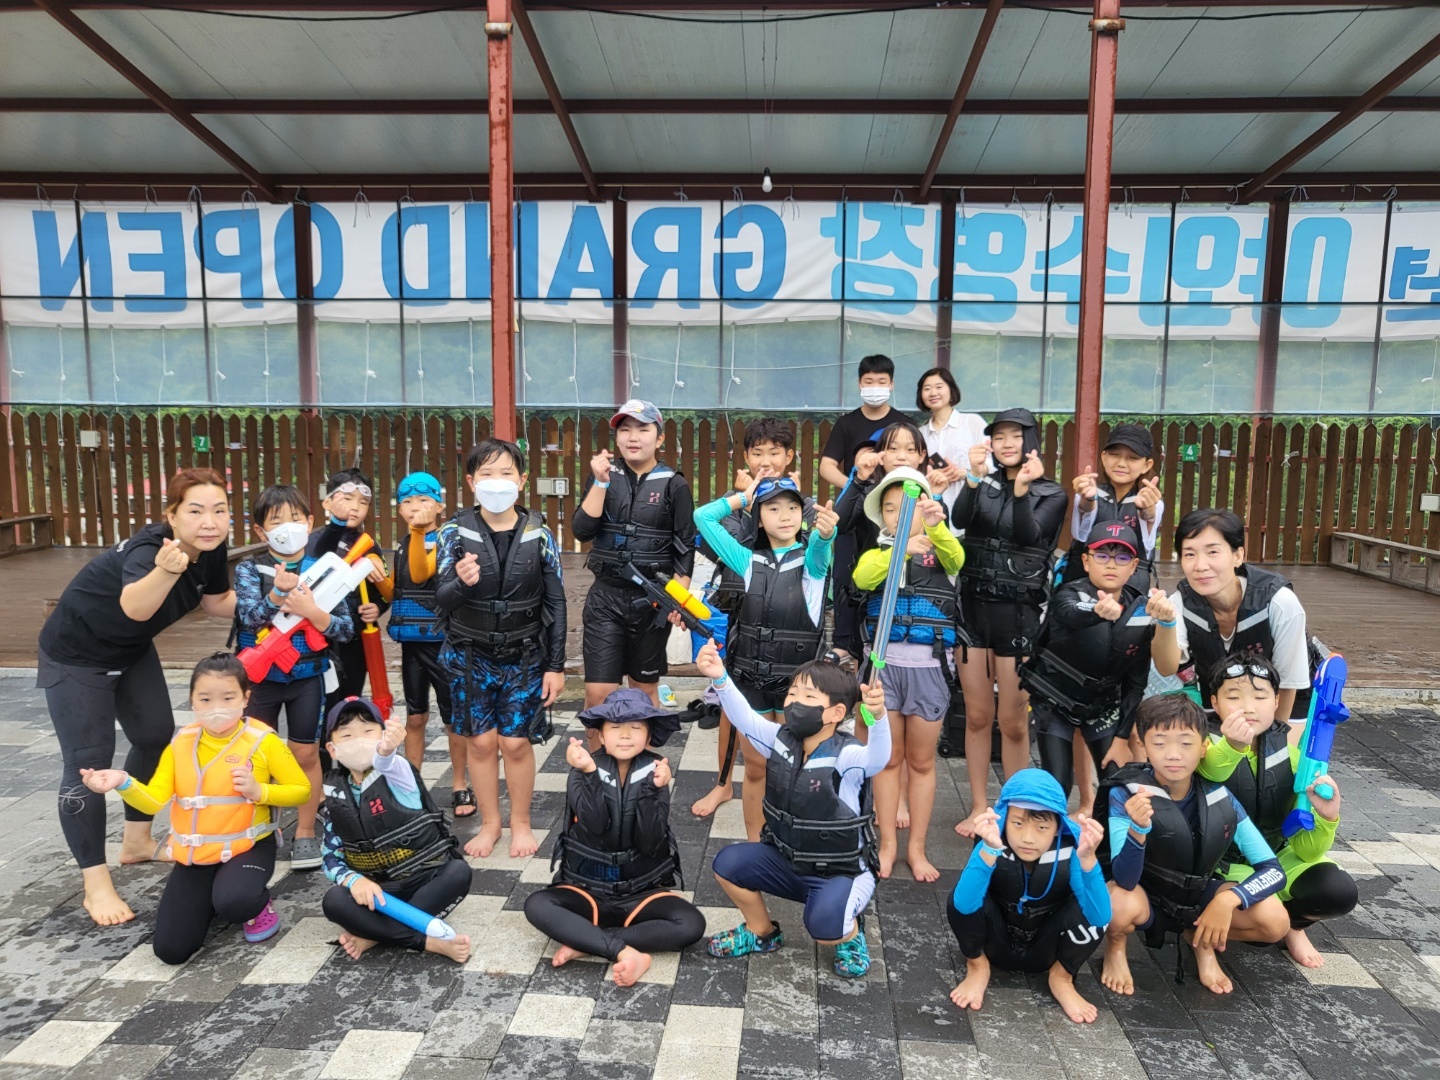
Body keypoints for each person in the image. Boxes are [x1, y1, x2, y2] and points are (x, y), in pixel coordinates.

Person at [39, 466, 237, 926]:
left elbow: (216, 602)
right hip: (76, 654)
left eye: (220, 510)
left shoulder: (210, 547)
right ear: (172, 515)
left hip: (129, 650)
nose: (209, 521)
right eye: (195, 511)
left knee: (153, 735)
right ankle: (95, 884)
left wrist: (276, 600)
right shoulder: (150, 550)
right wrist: (167, 571)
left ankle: (136, 842)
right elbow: (136, 606)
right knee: (88, 763)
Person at [79, 653, 310, 963]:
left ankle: (254, 903)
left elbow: (302, 791)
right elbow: (154, 800)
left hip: (247, 846)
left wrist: (260, 791)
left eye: (228, 697)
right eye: (205, 699)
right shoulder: (181, 743)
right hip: (197, 852)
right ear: (192, 701)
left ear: (245, 698)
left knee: (237, 902)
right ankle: (214, 896)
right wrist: (122, 782)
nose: (217, 707)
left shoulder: (263, 741)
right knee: (170, 951)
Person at [696, 639, 889, 980]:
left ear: (836, 713)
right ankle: (762, 932)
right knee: (727, 864)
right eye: (793, 694)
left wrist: (879, 718)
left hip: (841, 872)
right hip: (788, 861)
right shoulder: (779, 739)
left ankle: (850, 931)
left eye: (809, 697)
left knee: (825, 929)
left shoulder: (847, 756)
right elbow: (744, 719)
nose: (796, 703)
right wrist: (720, 678)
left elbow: (878, 758)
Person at [1101, 694, 1290, 996]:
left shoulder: (1220, 798)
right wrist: (1137, 830)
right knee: (1117, 903)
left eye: (1186, 743)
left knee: (1276, 921)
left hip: (1198, 896)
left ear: (1203, 748)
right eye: (1160, 743)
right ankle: (1116, 946)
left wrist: (1228, 900)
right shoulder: (1127, 795)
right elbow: (1125, 879)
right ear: (1144, 748)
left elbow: (1273, 870)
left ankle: (1201, 940)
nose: (1173, 754)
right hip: (1147, 896)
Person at [435, 439, 567, 860]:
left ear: (522, 480)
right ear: (471, 482)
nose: (497, 482)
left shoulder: (540, 534)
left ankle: (520, 822)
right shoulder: (453, 534)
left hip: (524, 657)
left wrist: (556, 665)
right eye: (487, 474)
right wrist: (461, 582)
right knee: (480, 743)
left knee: (515, 743)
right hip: (469, 656)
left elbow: (556, 602)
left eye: (506, 473)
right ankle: (490, 823)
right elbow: (442, 598)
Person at [524, 689, 705, 987]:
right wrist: (588, 772)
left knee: (692, 924)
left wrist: (654, 790)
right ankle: (624, 951)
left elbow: (650, 841)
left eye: (635, 728)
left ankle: (590, 941)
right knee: (537, 905)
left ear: (649, 736)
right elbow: (595, 825)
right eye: (615, 728)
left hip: (642, 893)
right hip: (587, 890)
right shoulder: (582, 769)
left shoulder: (656, 772)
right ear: (601, 735)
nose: (625, 735)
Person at [692, 471, 838, 840]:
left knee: (799, 767)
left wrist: (825, 533)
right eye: (773, 508)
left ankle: (797, 843)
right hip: (752, 681)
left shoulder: (812, 562)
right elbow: (702, 517)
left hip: (799, 687)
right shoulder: (746, 560)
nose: (785, 515)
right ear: (758, 518)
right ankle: (756, 843)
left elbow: (821, 547)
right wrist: (743, 498)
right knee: (756, 766)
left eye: (792, 507)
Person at [1198, 654, 1357, 969]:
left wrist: (1326, 819)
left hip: (1276, 856)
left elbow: (1307, 851)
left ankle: (1294, 926)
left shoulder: (1292, 756)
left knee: (1337, 891)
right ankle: (1219, 928)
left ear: (1276, 702)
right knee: (1265, 925)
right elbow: (1212, 770)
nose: (1248, 707)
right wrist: (1233, 745)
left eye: (1260, 697)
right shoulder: (1201, 744)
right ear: (1214, 702)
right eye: (1234, 697)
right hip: (1222, 865)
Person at [233, 484, 355, 870]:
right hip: (259, 679)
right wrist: (275, 597)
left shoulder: (327, 568)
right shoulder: (249, 569)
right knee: (254, 754)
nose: (288, 527)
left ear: (310, 522)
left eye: (296, 519)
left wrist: (312, 611)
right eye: (276, 521)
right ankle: (257, 827)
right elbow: (247, 617)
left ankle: (304, 832)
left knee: (305, 752)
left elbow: (345, 629)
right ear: (260, 530)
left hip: (307, 676)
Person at [951, 408, 1065, 813]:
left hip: (1018, 616)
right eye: (998, 437)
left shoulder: (1051, 493)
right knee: (978, 715)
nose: (1006, 444)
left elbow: (1027, 534)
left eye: (1015, 436)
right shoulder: (984, 482)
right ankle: (978, 806)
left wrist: (1021, 491)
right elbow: (959, 518)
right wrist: (972, 477)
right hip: (973, 610)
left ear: (1030, 440)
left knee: (1014, 722)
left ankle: (1017, 808)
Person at [853, 468, 963, 883]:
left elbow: (957, 560)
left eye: (909, 507)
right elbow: (862, 578)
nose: (899, 515)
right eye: (890, 509)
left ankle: (917, 847)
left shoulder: (942, 549)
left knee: (920, 762)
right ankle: (887, 845)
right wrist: (900, 551)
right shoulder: (877, 554)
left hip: (929, 669)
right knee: (887, 759)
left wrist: (936, 529)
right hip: (883, 670)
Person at [949, 769, 1110, 1024]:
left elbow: (1100, 917)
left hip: (1045, 950)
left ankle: (1062, 977)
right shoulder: (992, 840)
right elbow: (963, 904)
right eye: (1017, 824)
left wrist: (1089, 861)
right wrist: (988, 850)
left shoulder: (1073, 851)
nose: (1027, 838)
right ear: (1004, 819)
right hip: (996, 943)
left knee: (1094, 902)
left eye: (1042, 827)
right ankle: (977, 966)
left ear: (1058, 828)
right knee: (959, 895)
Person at [318, 697, 473, 963]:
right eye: (347, 735)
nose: (358, 741)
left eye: (368, 731)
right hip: (378, 894)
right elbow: (330, 857)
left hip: (422, 879)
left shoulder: (398, 773)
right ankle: (428, 942)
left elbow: (387, 762)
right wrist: (354, 880)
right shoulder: (336, 794)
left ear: (383, 735)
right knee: (334, 901)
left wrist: (387, 750)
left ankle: (374, 935)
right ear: (332, 749)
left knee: (458, 872)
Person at [1020, 522, 1161, 803]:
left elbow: (1136, 684)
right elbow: (1071, 611)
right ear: (1086, 561)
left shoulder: (1141, 611)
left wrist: (1122, 738)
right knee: (1057, 784)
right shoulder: (1068, 594)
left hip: (1101, 707)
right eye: (1102, 555)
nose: (1111, 564)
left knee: (1116, 784)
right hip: (1055, 702)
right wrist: (1097, 610)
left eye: (1122, 558)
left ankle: (1103, 831)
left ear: (1134, 567)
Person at [572, 399, 696, 710]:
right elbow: (582, 531)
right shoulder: (603, 476)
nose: (633, 437)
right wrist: (600, 483)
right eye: (625, 430)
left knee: (643, 691)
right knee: (598, 694)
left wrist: (677, 601)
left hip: (652, 602)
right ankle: (595, 746)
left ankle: (647, 745)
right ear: (616, 438)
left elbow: (685, 547)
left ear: (659, 438)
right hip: (606, 599)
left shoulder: (675, 484)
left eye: (643, 429)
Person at [1150, 508, 1309, 723]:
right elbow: (1166, 668)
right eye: (1189, 554)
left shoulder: (1280, 602)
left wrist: (1275, 736)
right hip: (1218, 701)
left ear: (1238, 556)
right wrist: (1166, 622)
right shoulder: (1179, 603)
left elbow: (1289, 683)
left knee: (1276, 746)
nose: (1200, 566)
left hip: (1285, 704)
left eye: (1212, 552)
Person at [382, 471, 469, 818]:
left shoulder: (446, 541)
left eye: (423, 500)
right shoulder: (404, 544)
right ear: (399, 509)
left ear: (439, 505)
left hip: (443, 644)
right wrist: (376, 580)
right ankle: (412, 785)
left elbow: (422, 573)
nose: (415, 506)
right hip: (412, 646)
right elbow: (399, 588)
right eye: (407, 501)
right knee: (415, 717)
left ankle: (460, 783)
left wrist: (419, 533)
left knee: (452, 718)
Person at [819, 355, 909, 663]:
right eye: (869, 381)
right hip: (853, 506)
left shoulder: (903, 423)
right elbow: (826, 466)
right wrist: (858, 485)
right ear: (859, 384)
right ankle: (843, 642)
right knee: (845, 572)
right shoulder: (847, 423)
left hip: (893, 509)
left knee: (886, 570)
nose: (875, 387)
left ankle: (886, 634)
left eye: (881, 381)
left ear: (891, 384)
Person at [307, 468, 390, 716]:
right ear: (327, 503)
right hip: (319, 638)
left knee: (350, 701)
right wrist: (337, 525)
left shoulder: (370, 545)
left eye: (363, 502)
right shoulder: (314, 540)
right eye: (347, 499)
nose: (355, 507)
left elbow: (384, 591)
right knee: (320, 705)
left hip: (355, 638)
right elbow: (316, 561)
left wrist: (378, 607)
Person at [1059, 424, 1163, 587]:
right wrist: (1088, 498)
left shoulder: (1151, 500)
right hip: (1082, 581)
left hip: (1131, 585)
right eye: (1114, 455)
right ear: (1104, 457)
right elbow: (1085, 510)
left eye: (1132, 458)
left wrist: (1147, 508)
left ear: (1147, 465)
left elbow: (1149, 516)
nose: (1121, 463)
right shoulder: (1090, 491)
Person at [915, 366, 988, 523]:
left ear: (951, 390)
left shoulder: (973, 423)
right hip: (931, 513)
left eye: (939, 387)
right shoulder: (920, 434)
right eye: (927, 389)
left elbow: (992, 465)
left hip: (972, 510)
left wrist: (965, 473)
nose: (933, 393)